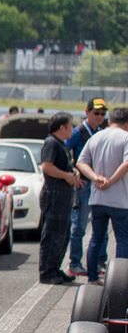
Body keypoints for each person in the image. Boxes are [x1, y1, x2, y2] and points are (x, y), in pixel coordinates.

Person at [76, 106, 128, 286]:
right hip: (120, 199)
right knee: (122, 239)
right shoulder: (126, 137)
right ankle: (119, 281)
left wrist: (95, 177)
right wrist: (111, 180)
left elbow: (81, 163)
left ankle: (92, 277)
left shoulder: (95, 137)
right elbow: (127, 163)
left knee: (96, 238)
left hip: (97, 198)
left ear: (110, 120)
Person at [66, 98, 109, 277]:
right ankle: (75, 263)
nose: (99, 116)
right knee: (79, 226)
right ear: (87, 112)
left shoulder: (101, 132)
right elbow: (63, 150)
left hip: (98, 184)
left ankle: (100, 261)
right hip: (83, 184)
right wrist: (73, 169)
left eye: (102, 114)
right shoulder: (78, 132)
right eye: (96, 113)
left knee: (102, 227)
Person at [39, 112, 79, 284]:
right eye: (70, 126)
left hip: (63, 196)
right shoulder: (51, 143)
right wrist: (66, 176)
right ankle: (47, 271)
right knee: (53, 233)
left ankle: (54, 268)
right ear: (62, 127)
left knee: (62, 234)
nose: (72, 129)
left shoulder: (60, 144)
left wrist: (73, 172)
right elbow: (47, 167)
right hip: (54, 195)